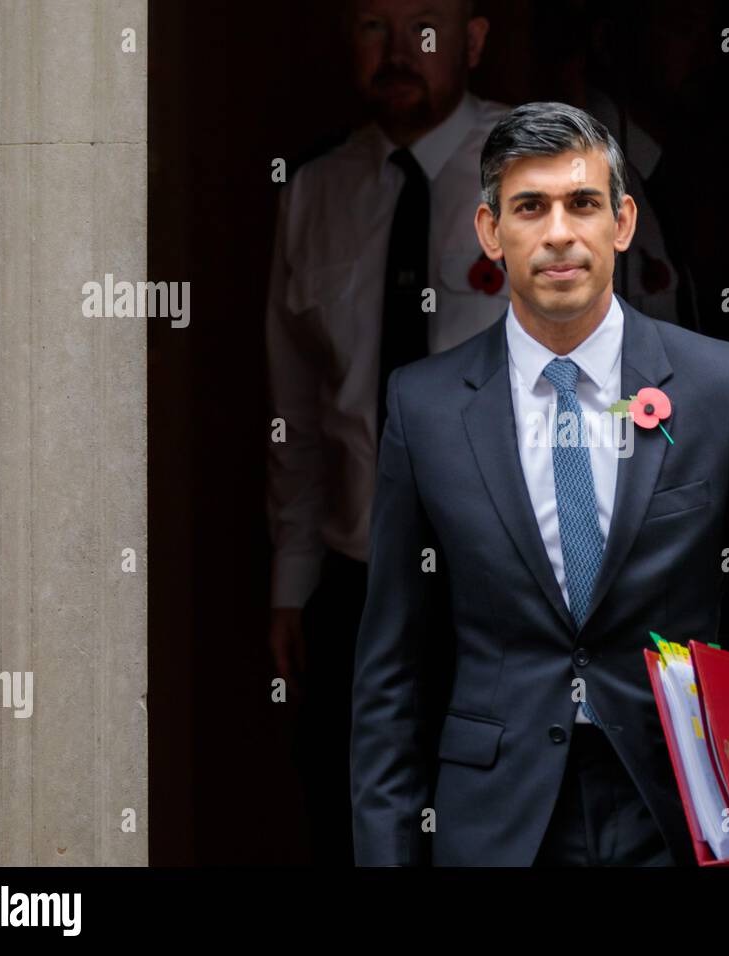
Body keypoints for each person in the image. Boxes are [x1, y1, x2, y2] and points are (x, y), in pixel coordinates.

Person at [350, 101, 729, 866]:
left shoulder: (718, 387)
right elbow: (389, 673)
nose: (559, 231)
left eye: (583, 203)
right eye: (530, 207)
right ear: (491, 232)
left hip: (682, 815)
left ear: (622, 222)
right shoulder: (423, 407)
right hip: (495, 825)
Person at [264, 0, 508, 863]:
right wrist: (293, 581)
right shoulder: (316, 193)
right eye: (375, 26)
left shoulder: (549, 171)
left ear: (474, 40)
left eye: (427, 28)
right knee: (352, 830)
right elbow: (293, 411)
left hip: (505, 594)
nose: (401, 51)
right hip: (358, 588)